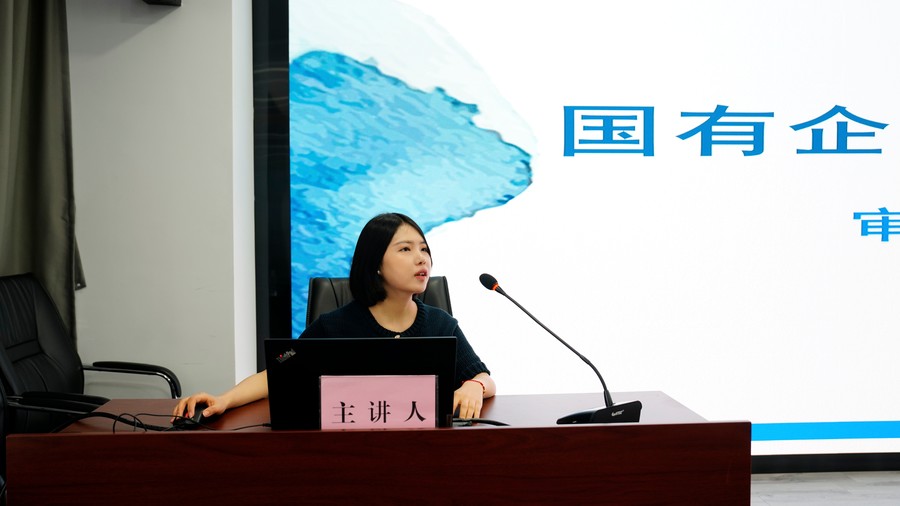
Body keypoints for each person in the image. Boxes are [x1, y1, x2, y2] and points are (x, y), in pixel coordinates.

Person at [172, 213, 495, 423]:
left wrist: (473, 385)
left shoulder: (441, 324)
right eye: (405, 249)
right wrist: (224, 399)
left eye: (423, 249)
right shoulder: (335, 325)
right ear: (376, 264)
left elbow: (483, 378)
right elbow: (280, 372)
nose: (421, 258)